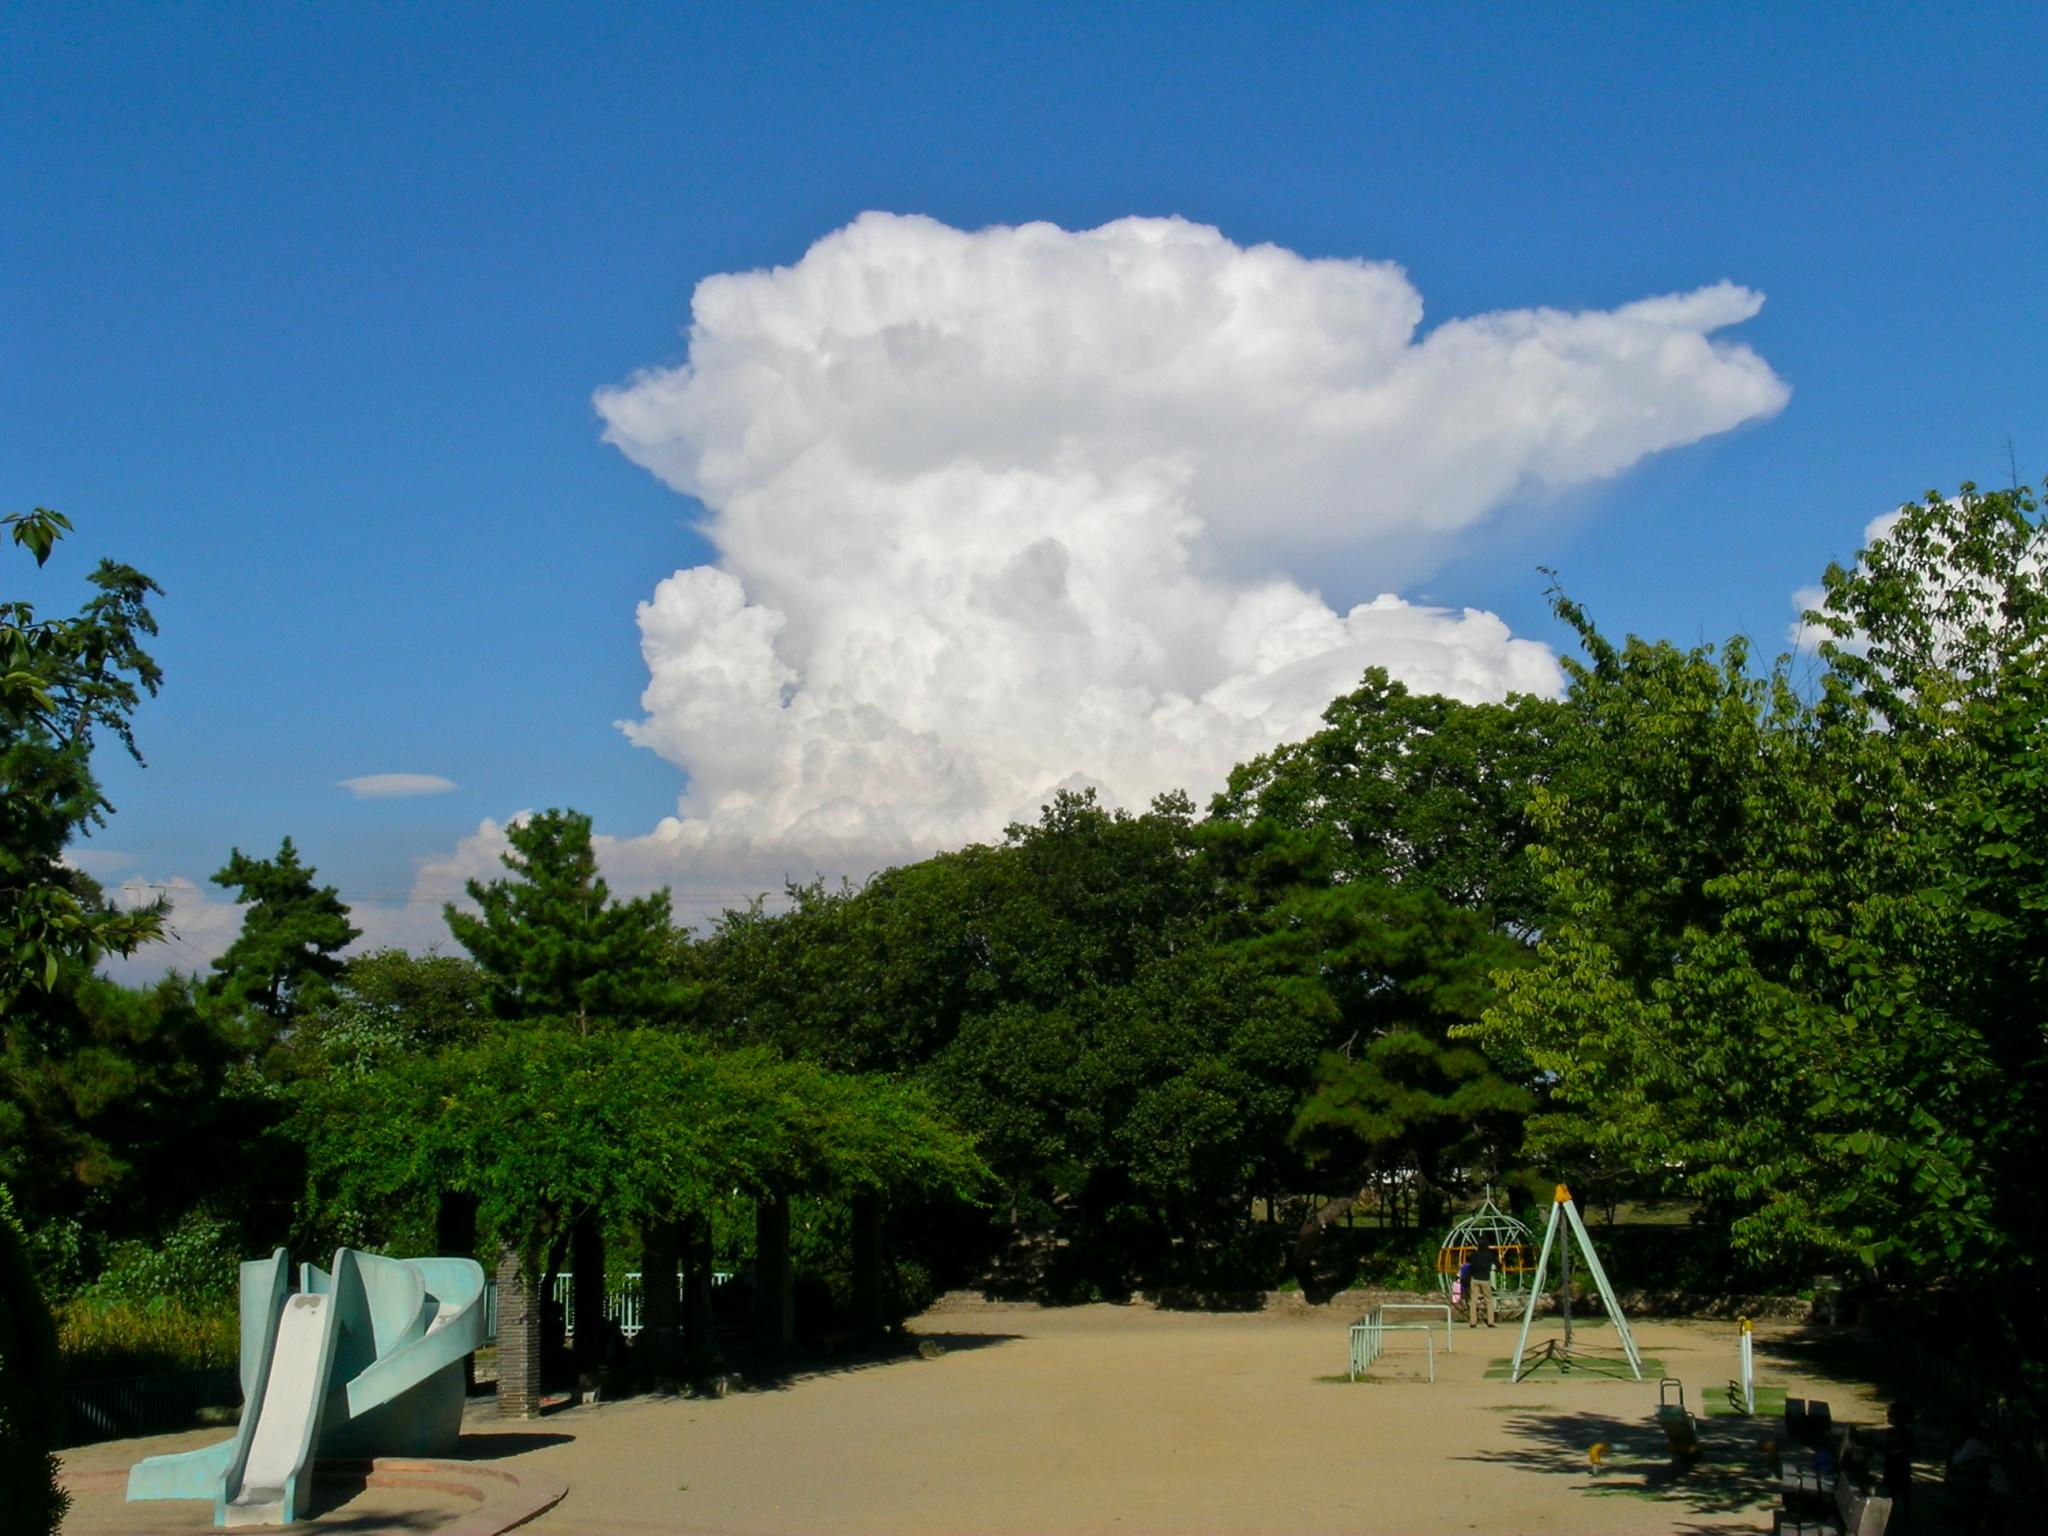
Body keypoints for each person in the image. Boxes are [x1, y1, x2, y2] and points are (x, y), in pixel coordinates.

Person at [1468, 1238, 1497, 1327]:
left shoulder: (1474, 1255)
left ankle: (1473, 1322)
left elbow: (1471, 1266)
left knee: (1473, 1301)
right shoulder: (1490, 1255)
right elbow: (1498, 1264)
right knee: (1489, 1300)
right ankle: (1490, 1321)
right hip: (1485, 1279)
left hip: (1475, 1278)